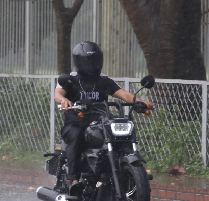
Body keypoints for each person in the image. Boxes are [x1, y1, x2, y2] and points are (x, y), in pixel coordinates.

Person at [53, 41, 154, 189]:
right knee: (76, 134)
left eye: (93, 61)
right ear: (78, 61)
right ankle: (74, 180)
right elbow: (58, 94)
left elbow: (124, 94)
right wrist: (63, 100)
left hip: (100, 124)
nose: (90, 65)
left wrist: (141, 102)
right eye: (86, 61)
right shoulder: (71, 78)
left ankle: (123, 173)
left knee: (119, 137)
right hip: (75, 124)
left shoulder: (104, 80)